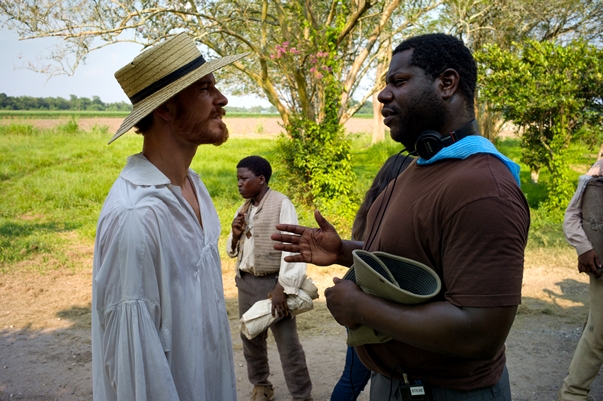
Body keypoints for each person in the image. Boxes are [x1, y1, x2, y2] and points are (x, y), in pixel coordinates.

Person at [272, 33, 530, 401]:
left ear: (447, 83)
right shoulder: (424, 163)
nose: (383, 95)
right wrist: (346, 251)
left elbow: (480, 333)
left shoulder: (483, 188)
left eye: (399, 81)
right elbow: (418, 257)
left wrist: (361, 306)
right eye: (385, 84)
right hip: (396, 383)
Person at [91, 33, 247, 401]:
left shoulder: (194, 187)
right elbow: (135, 372)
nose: (222, 100)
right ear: (164, 109)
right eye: (205, 89)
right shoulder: (136, 217)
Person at [226, 155, 313, 401]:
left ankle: (302, 394)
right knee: (250, 338)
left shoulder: (281, 204)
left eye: (244, 179)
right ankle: (261, 385)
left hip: (273, 286)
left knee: (288, 344)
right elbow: (232, 250)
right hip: (246, 283)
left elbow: (291, 248)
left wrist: (282, 289)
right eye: (237, 179)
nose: (239, 184)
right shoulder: (244, 208)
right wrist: (234, 234)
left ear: (261, 179)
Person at [331, 153, 414, 401]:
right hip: (377, 306)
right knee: (357, 379)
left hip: (358, 297)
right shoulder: (398, 213)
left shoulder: (371, 209)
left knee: (352, 377)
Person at [558, 159, 603, 401]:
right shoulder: (599, 170)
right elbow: (573, 214)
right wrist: (584, 247)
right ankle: (572, 394)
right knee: (598, 334)